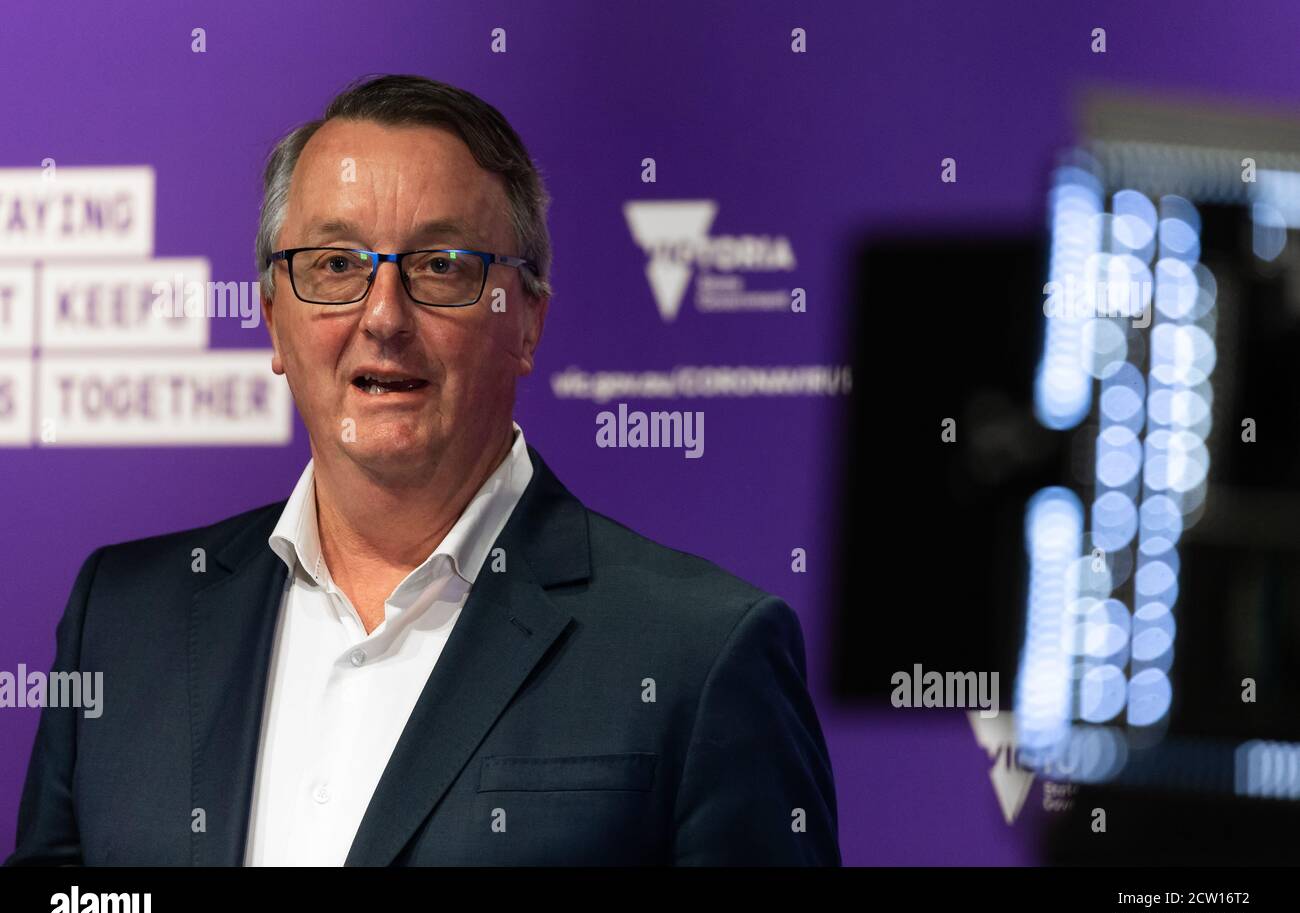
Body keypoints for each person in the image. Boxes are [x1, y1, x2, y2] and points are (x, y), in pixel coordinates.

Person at [6, 74, 840, 866]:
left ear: (527, 324)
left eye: (442, 267)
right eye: (335, 265)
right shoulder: (121, 621)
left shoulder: (702, 652)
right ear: (271, 319)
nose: (383, 317)